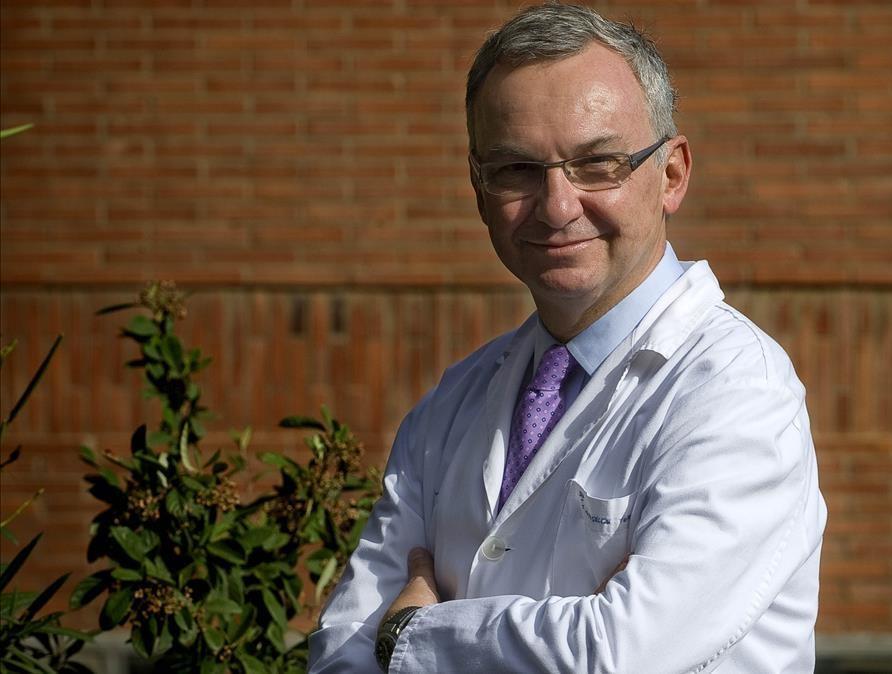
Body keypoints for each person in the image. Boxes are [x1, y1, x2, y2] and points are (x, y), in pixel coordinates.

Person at [307, 4, 827, 672]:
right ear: (479, 188)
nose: (556, 207)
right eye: (517, 170)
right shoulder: (455, 402)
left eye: (597, 163)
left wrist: (410, 636)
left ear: (670, 175)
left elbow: (619, 654)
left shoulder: (736, 391)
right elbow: (339, 653)